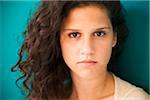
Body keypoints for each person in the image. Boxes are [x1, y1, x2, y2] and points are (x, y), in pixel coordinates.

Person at [11, 1, 149, 100]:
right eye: (74, 35)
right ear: (57, 40)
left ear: (114, 38)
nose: (87, 49)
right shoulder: (44, 96)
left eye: (99, 33)